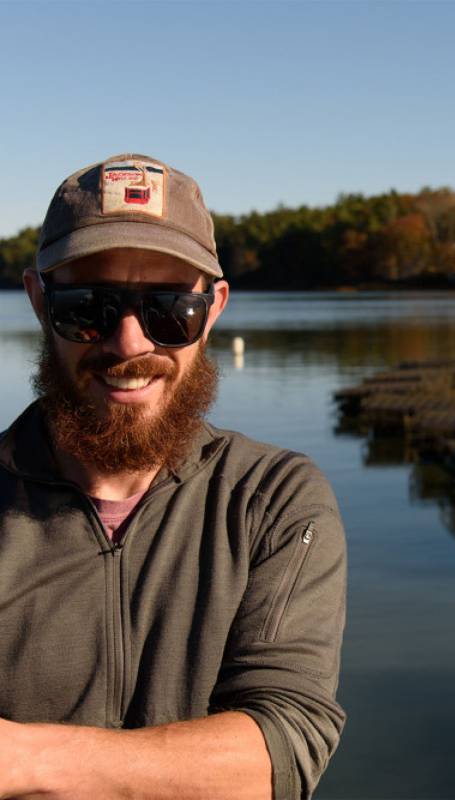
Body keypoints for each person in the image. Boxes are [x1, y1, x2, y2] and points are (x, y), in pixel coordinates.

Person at [0, 154, 346, 799]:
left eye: (169, 310)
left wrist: (25, 759)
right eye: (87, 307)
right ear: (39, 301)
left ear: (212, 309)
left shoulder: (271, 501)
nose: (130, 344)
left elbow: (284, 748)